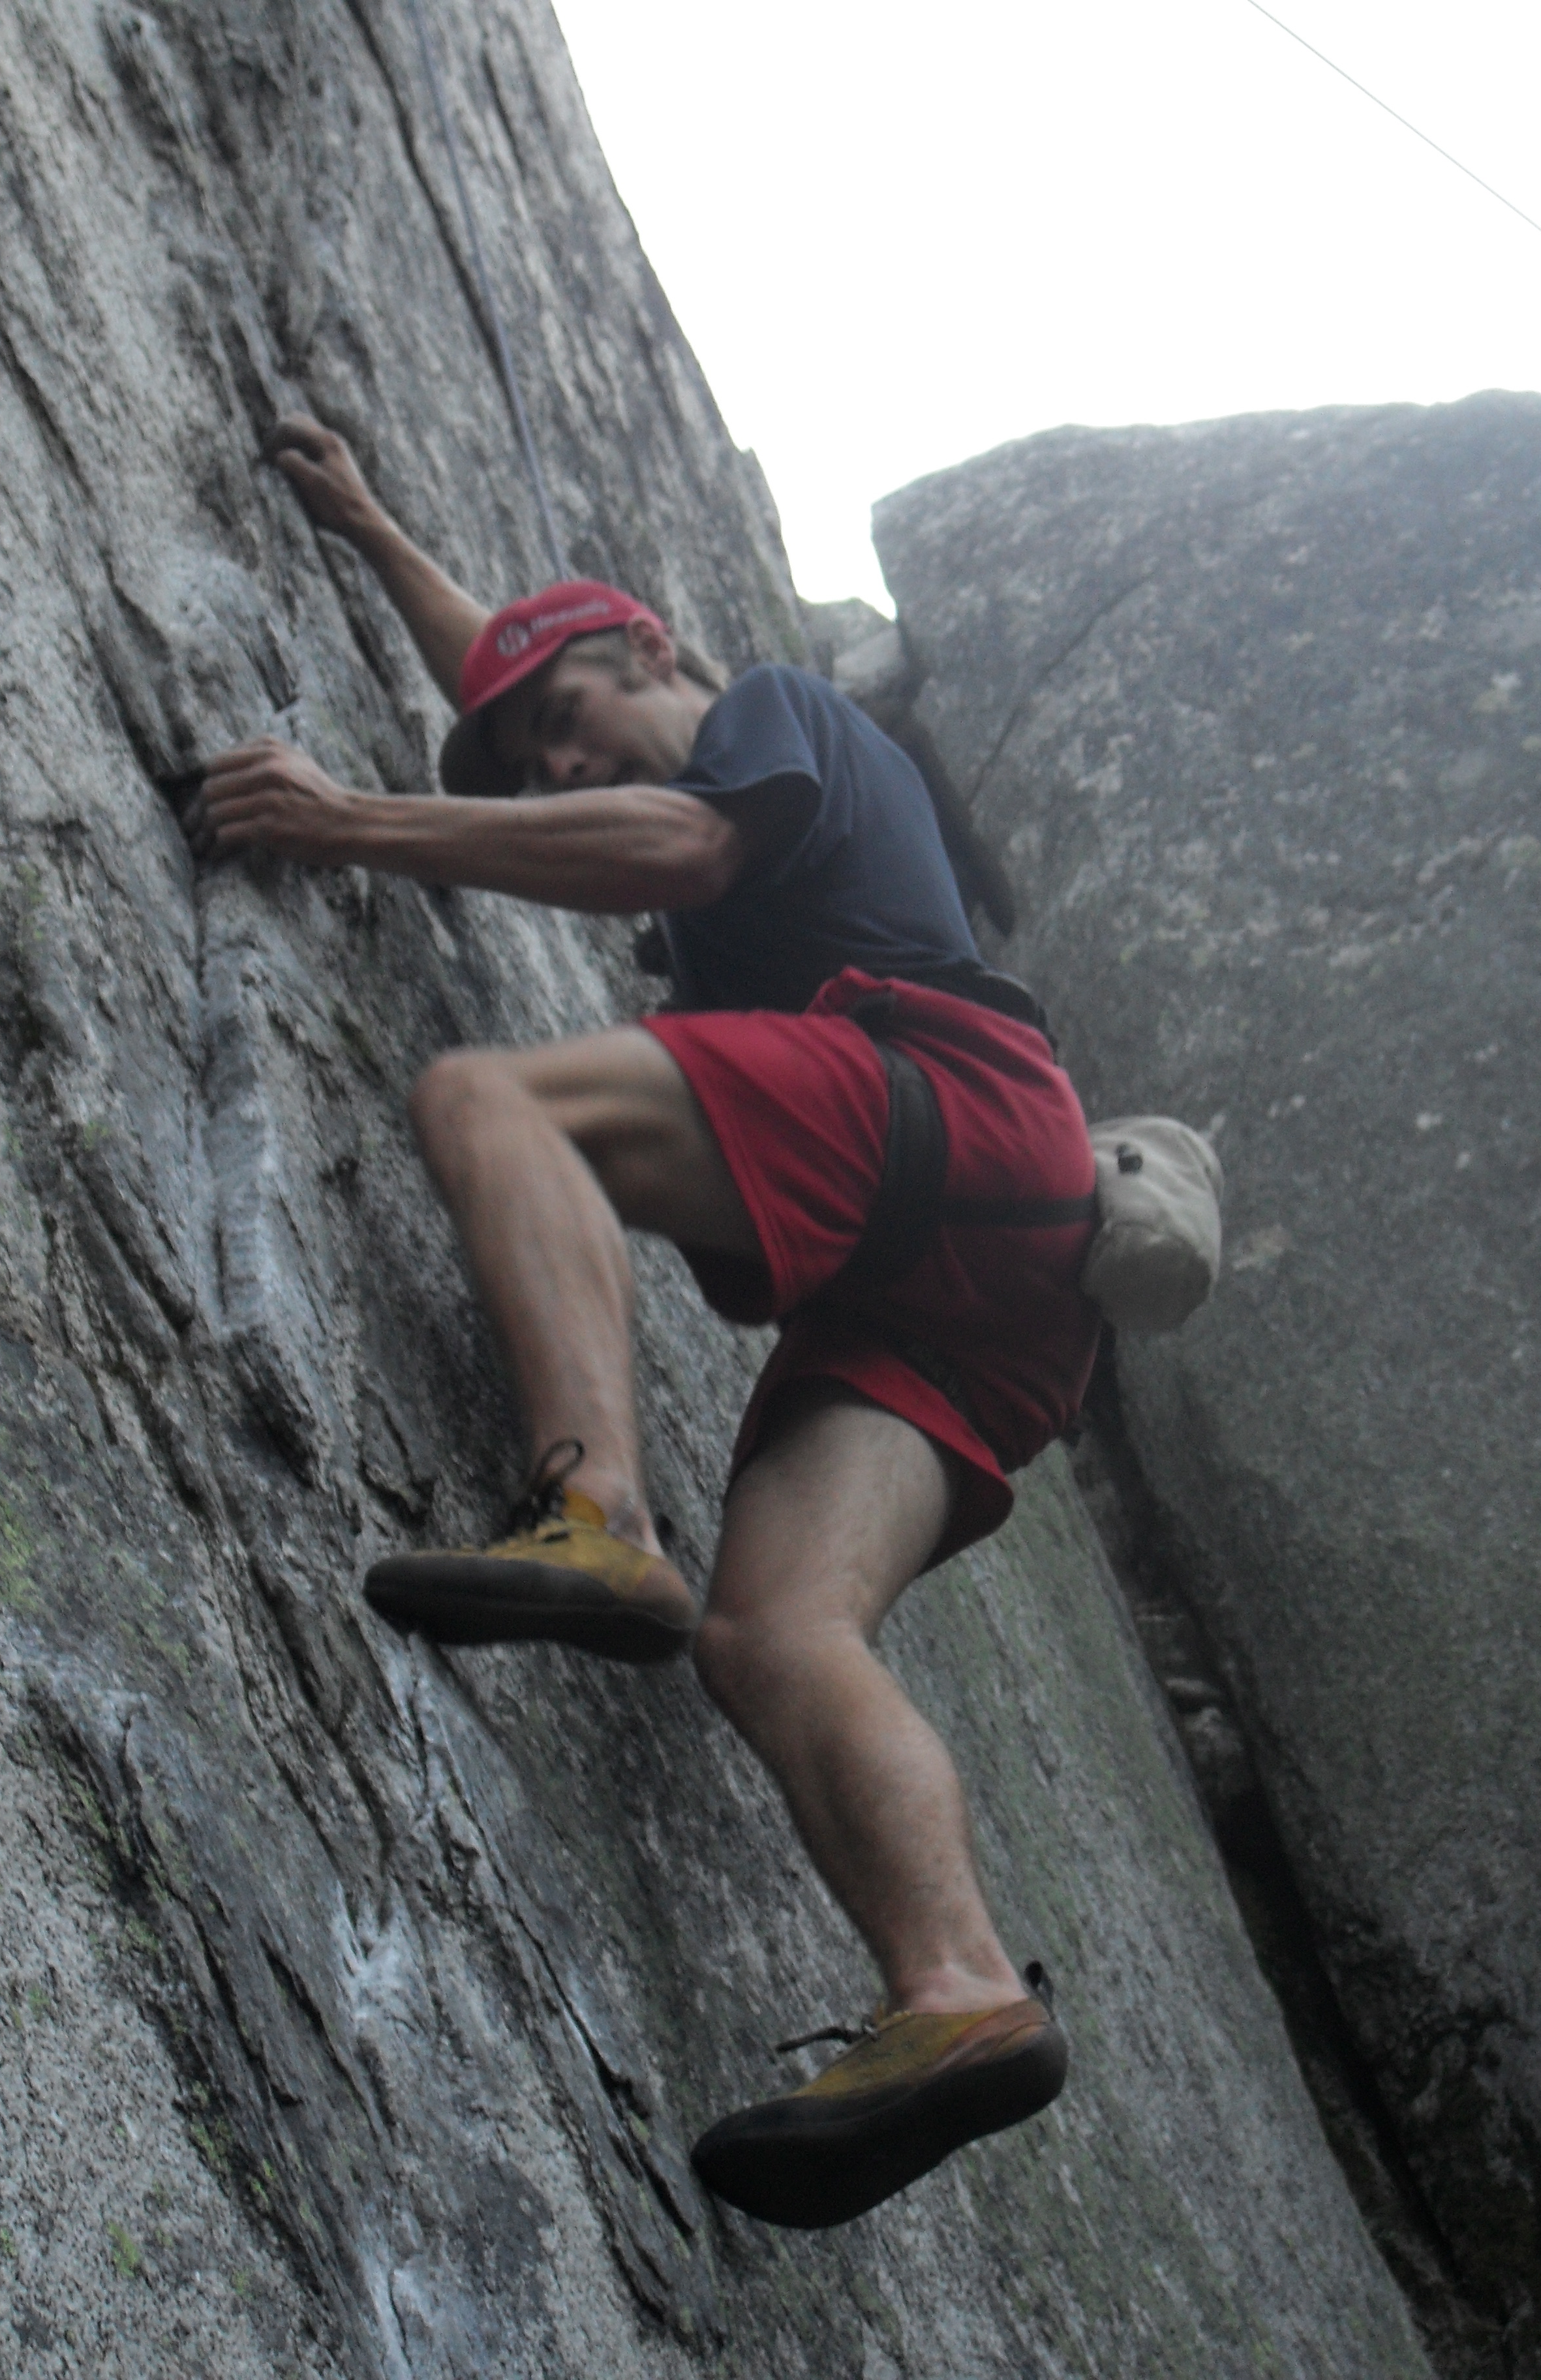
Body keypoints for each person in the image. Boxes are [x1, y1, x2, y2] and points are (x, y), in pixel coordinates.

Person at [190, 415, 1101, 2230]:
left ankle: (591, 1509)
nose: (546, 762)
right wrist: (370, 521)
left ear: (662, 651)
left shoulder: (773, 712)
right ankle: (961, 1993)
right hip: (972, 1296)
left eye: (566, 721)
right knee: (773, 1631)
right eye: (525, 753)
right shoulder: (616, 717)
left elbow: (675, 837)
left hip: (941, 1096)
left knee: (493, 1104)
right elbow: (517, 668)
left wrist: (359, 820)